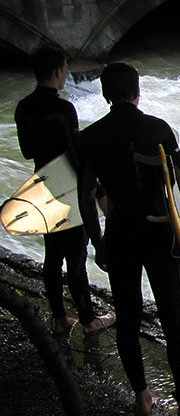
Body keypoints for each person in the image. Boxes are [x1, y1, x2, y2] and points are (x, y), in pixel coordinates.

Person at [76, 61, 180, 416]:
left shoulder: (90, 137)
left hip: (120, 232)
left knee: (127, 316)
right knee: (173, 319)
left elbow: (86, 196)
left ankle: (142, 396)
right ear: (137, 92)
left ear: (105, 94)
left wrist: (98, 241)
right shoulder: (157, 128)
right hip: (160, 234)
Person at [14, 46, 115, 334]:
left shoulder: (23, 107)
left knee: (53, 254)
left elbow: (26, 151)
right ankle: (89, 320)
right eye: (65, 69)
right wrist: (95, 188)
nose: (66, 74)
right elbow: (74, 155)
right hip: (69, 188)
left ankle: (59, 319)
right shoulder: (63, 110)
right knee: (76, 258)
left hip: (43, 185)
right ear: (58, 71)